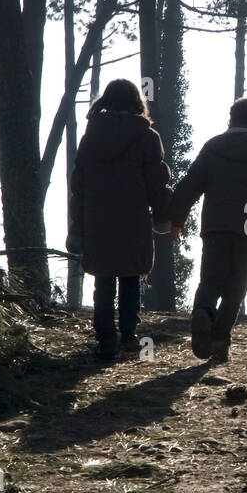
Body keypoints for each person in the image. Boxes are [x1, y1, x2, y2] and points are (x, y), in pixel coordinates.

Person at [167, 96, 247, 363]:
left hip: (216, 226)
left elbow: (190, 185)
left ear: (231, 119)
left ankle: (203, 312)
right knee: (236, 286)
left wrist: (176, 218)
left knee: (210, 279)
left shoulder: (213, 147)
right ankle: (220, 340)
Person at [67, 79, 172, 362]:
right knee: (130, 275)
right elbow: (156, 181)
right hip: (133, 217)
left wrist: (78, 220)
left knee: (104, 278)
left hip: (97, 217)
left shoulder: (91, 136)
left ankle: (104, 339)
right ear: (136, 102)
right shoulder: (147, 136)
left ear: (107, 101)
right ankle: (128, 334)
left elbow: (79, 182)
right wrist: (164, 212)